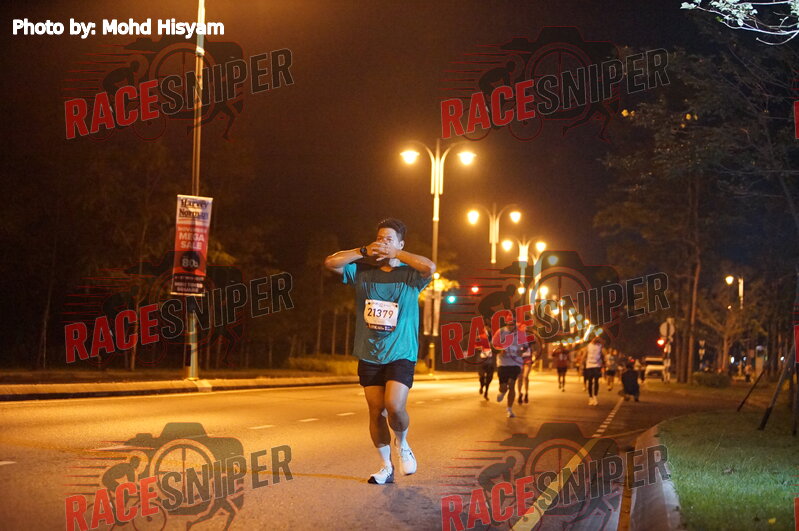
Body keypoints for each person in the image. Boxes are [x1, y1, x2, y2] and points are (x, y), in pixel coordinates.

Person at [324, 218, 435, 485]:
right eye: (380, 238)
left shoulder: (410, 275)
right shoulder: (363, 272)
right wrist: (363, 251)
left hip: (401, 352)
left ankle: (403, 444)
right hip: (369, 352)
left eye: (389, 239)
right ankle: (386, 466)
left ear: (400, 244)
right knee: (376, 411)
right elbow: (331, 263)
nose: (383, 242)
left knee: (394, 405)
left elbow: (430, 267)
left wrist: (397, 254)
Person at [492, 316, 526, 418]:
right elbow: (493, 345)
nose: (511, 326)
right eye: (509, 324)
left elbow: (525, 346)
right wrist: (500, 350)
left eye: (513, 324)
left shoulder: (520, 333)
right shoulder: (501, 332)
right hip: (503, 363)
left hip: (516, 363)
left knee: (512, 384)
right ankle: (502, 392)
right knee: (503, 387)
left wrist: (521, 351)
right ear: (506, 323)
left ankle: (509, 409)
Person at [516, 327, 538, 404]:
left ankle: (526, 393)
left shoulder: (530, 339)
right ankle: (519, 394)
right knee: (519, 378)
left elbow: (534, 349)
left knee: (525, 377)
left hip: (528, 359)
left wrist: (534, 355)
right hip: (520, 360)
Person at [584, 336, 605, 406]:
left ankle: (595, 396)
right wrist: (582, 363)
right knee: (590, 381)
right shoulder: (588, 346)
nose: (595, 339)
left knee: (596, 381)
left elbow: (602, 354)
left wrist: (603, 364)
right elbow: (585, 354)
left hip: (597, 365)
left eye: (596, 338)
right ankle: (590, 397)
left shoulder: (600, 346)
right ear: (592, 339)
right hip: (589, 365)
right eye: (594, 338)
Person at [477, 329, 495, 401]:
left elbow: (497, 349)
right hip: (482, 361)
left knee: (489, 378)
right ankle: (482, 386)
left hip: (490, 362)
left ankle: (486, 392)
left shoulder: (493, 342)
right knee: (481, 376)